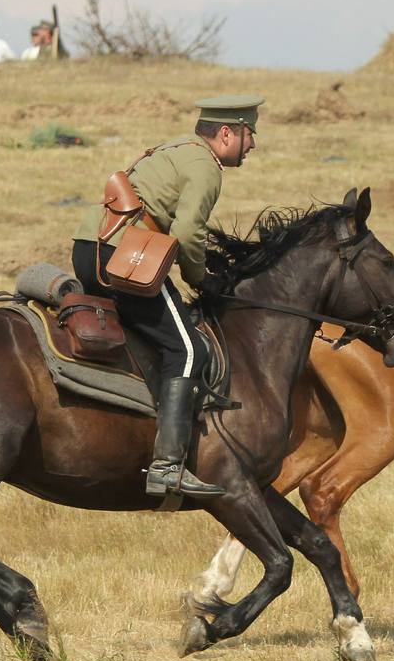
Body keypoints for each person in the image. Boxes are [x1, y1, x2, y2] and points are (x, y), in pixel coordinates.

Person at [71, 95, 264, 500]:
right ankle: (167, 468)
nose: (253, 145)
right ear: (227, 132)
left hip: (92, 247)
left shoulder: (174, 148)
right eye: (250, 135)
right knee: (190, 349)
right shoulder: (205, 167)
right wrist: (202, 279)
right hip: (125, 257)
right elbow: (189, 232)